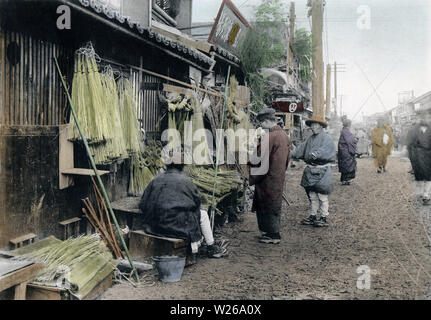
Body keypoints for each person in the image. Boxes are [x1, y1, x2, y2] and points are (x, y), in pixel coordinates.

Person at [137, 151, 228, 259]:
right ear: (182, 167)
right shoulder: (187, 183)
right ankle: (211, 246)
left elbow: (142, 204)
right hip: (177, 228)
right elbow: (196, 205)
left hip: (153, 227)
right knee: (203, 214)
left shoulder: (155, 180)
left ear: (167, 165)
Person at [249, 107, 291, 244]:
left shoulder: (269, 137)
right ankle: (271, 232)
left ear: (267, 121)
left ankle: (272, 234)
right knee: (274, 202)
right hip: (278, 175)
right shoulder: (284, 136)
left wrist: (250, 170)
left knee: (266, 204)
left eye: (261, 122)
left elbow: (259, 159)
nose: (261, 126)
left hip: (267, 177)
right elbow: (287, 159)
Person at [291, 114, 336, 228]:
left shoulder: (327, 138)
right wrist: (292, 151)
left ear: (321, 126)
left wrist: (317, 154)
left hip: (322, 170)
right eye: (312, 125)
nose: (313, 127)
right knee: (312, 196)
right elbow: (301, 149)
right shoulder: (310, 139)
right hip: (311, 170)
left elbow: (327, 150)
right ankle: (312, 215)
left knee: (322, 196)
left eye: (316, 125)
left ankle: (323, 217)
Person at [406, 109, 431, 205]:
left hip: (429, 156)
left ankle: (426, 195)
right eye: (423, 117)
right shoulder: (413, 130)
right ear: (420, 118)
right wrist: (411, 156)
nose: (426, 119)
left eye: (428, 117)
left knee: (429, 176)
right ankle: (420, 193)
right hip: (417, 156)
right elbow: (409, 144)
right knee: (419, 176)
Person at [338, 118, 357, 185]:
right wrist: (354, 141)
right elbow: (349, 141)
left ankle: (345, 180)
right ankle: (345, 180)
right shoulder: (346, 131)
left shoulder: (344, 130)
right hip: (346, 151)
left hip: (343, 150)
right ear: (349, 124)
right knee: (348, 165)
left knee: (345, 165)